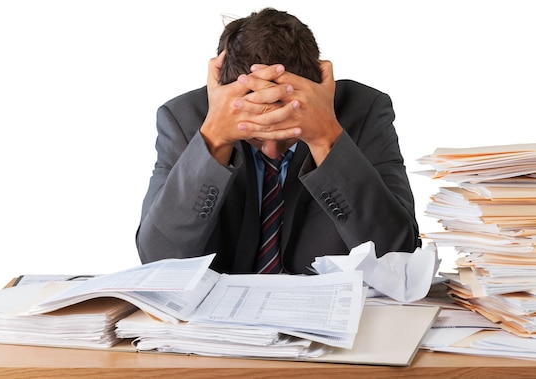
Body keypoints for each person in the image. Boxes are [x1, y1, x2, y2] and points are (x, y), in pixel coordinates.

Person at [136, 8, 420, 274]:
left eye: (287, 129)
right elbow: (158, 261)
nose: (271, 149)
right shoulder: (185, 119)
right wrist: (213, 139)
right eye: (256, 133)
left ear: (319, 88)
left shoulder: (364, 110)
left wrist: (326, 138)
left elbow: (397, 255)